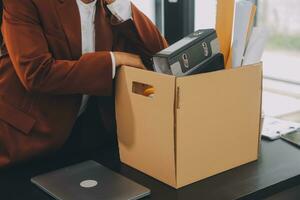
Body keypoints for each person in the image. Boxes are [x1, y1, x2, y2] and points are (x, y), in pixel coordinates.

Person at [0, 0, 168, 167]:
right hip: (23, 140)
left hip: (84, 139)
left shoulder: (109, 7)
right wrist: (113, 59)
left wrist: (119, 5)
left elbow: (161, 58)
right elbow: (36, 73)